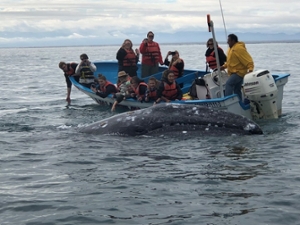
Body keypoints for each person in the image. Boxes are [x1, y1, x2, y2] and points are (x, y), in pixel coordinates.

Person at [220, 34, 254, 100]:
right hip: (233, 72)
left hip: (239, 72)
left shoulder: (239, 49)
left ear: (233, 41)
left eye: (229, 41)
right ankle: (239, 103)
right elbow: (231, 61)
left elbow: (248, 60)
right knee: (237, 89)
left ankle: (227, 100)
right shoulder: (231, 49)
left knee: (229, 84)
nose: (227, 42)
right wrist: (224, 66)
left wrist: (250, 69)